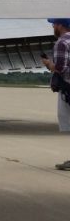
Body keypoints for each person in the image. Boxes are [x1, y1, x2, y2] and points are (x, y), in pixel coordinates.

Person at [41, 18, 70, 170]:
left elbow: (60, 68)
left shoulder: (62, 42)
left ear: (60, 25)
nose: (53, 26)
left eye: (54, 24)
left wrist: (48, 64)